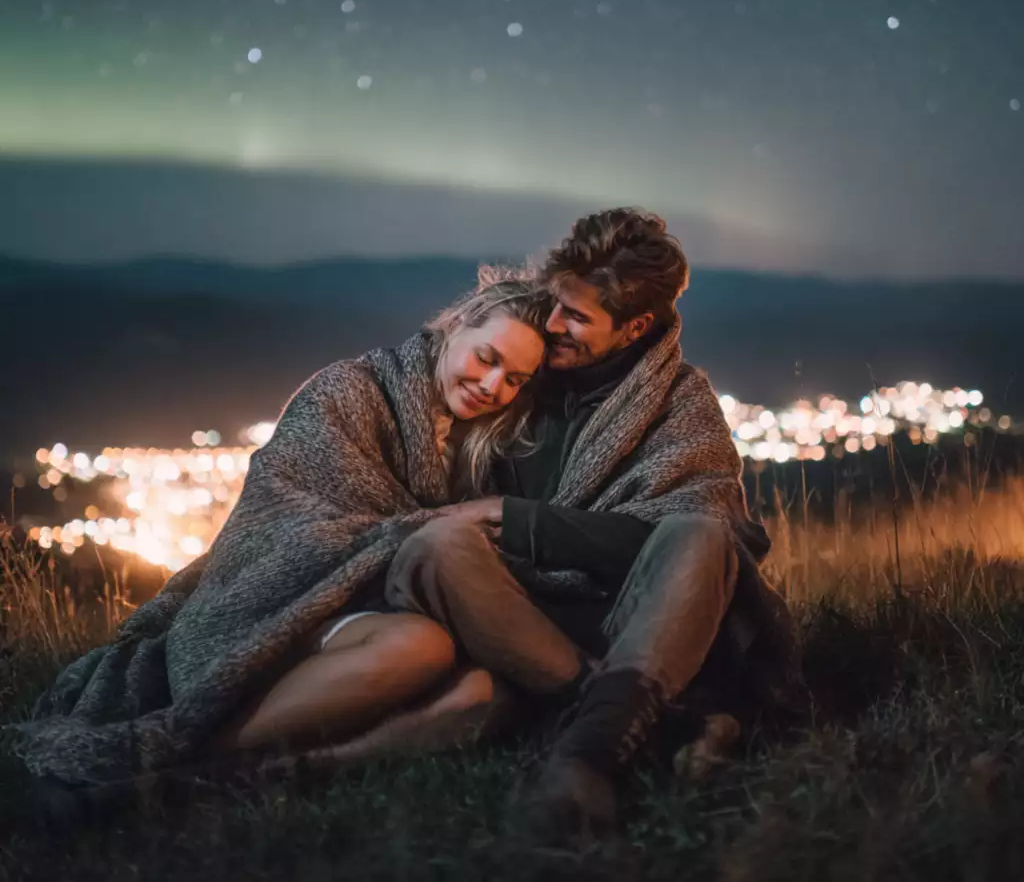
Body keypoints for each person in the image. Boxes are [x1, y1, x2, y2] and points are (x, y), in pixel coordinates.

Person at [4, 268, 552, 795]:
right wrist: (444, 520)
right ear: (457, 326)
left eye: (515, 380)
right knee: (422, 647)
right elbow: (287, 526)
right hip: (268, 601)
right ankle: (175, 752)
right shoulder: (348, 392)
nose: (492, 385)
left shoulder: (481, 444)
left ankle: (233, 772)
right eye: (488, 358)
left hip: (366, 605)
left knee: (473, 683)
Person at [381, 208, 801, 844]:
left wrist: (516, 518)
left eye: (577, 317)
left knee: (700, 536)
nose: (552, 327)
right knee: (436, 545)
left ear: (632, 326)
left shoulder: (679, 403)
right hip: (517, 614)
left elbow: (712, 546)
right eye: (554, 304)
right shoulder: (517, 376)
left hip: (636, 618)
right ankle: (652, 718)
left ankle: (586, 758)